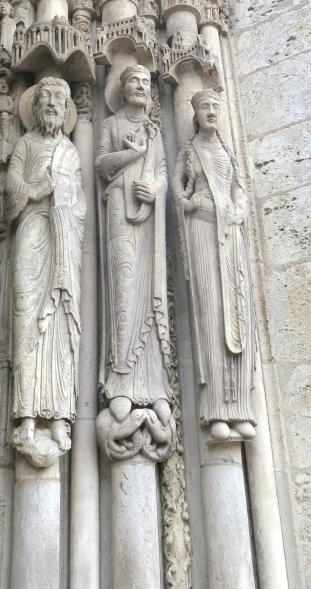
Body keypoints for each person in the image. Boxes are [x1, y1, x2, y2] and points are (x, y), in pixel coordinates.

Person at [5, 77, 85, 467]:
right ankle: (26, 416)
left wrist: (66, 205)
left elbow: (82, 204)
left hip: (62, 239)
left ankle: (58, 416)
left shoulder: (70, 151)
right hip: (32, 230)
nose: (53, 103)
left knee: (59, 326)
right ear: (35, 107)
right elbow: (11, 185)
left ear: (67, 108)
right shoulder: (25, 144)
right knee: (25, 314)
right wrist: (38, 190)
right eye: (46, 97)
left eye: (60, 97)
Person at [95, 65, 174, 448]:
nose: (141, 86)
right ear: (121, 89)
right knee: (124, 293)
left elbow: (161, 172)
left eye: (146, 82)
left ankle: (154, 383)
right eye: (134, 81)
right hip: (118, 217)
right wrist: (130, 155)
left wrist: (154, 189)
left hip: (146, 218)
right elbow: (101, 166)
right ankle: (122, 379)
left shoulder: (156, 131)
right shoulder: (110, 124)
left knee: (151, 293)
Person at [170, 90, 256, 442]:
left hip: (231, 235)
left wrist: (240, 208)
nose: (210, 112)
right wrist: (187, 203)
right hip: (204, 230)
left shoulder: (226, 152)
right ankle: (216, 409)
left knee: (237, 313)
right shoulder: (190, 150)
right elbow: (177, 185)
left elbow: (239, 189)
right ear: (195, 113)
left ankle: (241, 410)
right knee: (211, 313)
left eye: (214, 108)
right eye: (204, 107)